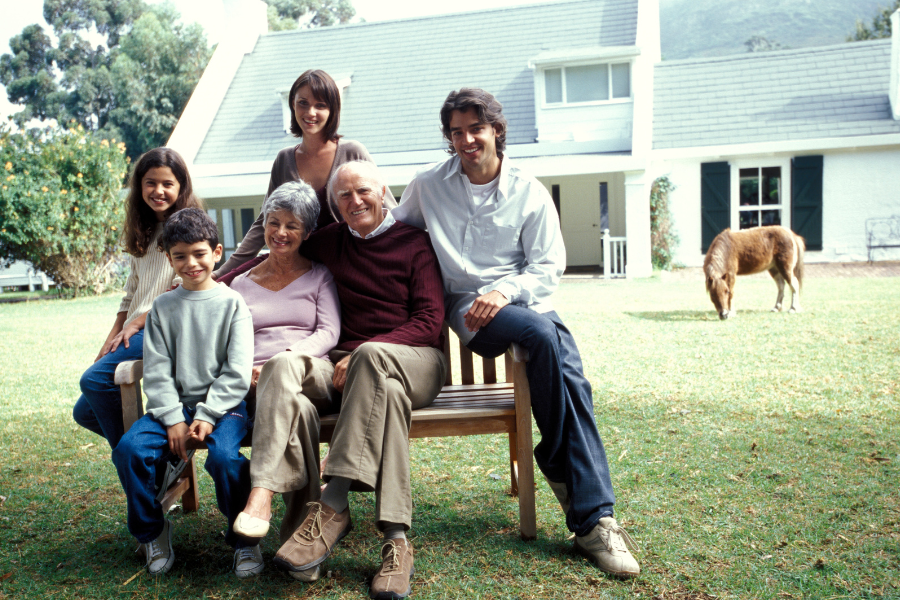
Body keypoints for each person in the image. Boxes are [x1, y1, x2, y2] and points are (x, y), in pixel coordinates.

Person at [393, 88, 641, 578]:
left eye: (475, 129)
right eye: (456, 132)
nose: (466, 140)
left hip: (524, 301)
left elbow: (549, 267)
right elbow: (396, 234)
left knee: (570, 374)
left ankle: (591, 512)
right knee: (548, 341)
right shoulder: (428, 186)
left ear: (496, 131)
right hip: (467, 311)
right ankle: (590, 512)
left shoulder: (529, 189)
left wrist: (506, 290)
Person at [219, 161, 446, 599]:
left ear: (384, 191)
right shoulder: (329, 242)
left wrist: (369, 350)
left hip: (415, 360)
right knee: (287, 366)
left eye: (363, 191)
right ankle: (393, 540)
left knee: (378, 364)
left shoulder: (415, 243)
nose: (355, 201)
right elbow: (268, 259)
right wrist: (191, 289)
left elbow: (430, 320)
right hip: (348, 368)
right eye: (343, 195)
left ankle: (334, 498)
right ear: (333, 206)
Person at [111, 208, 259, 578]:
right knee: (129, 450)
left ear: (217, 252)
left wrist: (208, 415)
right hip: (172, 409)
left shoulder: (233, 304)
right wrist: (175, 417)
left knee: (225, 459)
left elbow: (237, 371)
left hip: (226, 409)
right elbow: (157, 369)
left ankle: (244, 540)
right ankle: (152, 531)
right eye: (180, 256)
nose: (191, 263)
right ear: (168, 258)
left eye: (199, 253)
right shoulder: (163, 306)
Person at [219, 181, 340, 557]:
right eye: (274, 222)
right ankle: (300, 541)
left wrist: (280, 360)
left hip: (313, 373)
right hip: (262, 389)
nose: (281, 233)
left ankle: (260, 493)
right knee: (298, 415)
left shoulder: (320, 275)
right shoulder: (241, 284)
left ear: (306, 232)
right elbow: (231, 343)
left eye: (292, 225)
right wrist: (249, 370)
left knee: (285, 369)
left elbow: (329, 331)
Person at [73, 148, 203, 450]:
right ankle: (157, 459)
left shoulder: (189, 227)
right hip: (138, 326)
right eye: (150, 182)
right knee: (85, 411)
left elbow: (184, 288)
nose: (158, 191)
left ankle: (142, 468)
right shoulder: (143, 229)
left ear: (181, 186)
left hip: (165, 327)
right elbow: (130, 295)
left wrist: (139, 321)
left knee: (93, 381)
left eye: (167, 184)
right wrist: (110, 340)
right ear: (139, 186)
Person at [214, 69, 395, 278]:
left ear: (333, 110)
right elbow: (263, 221)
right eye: (303, 103)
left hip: (352, 268)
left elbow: (389, 210)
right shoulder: (284, 160)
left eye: (320, 105)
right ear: (292, 104)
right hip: (301, 271)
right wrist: (221, 273)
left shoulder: (353, 152)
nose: (310, 112)